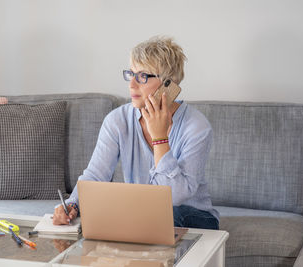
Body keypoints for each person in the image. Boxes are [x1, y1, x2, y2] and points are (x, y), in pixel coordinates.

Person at [53, 36, 219, 229]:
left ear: (168, 84)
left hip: (194, 216)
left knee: (165, 214)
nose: (132, 85)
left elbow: (175, 197)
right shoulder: (117, 120)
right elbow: (96, 176)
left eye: (142, 76)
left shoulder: (196, 127)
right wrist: (73, 204)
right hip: (144, 216)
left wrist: (160, 139)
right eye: (130, 74)